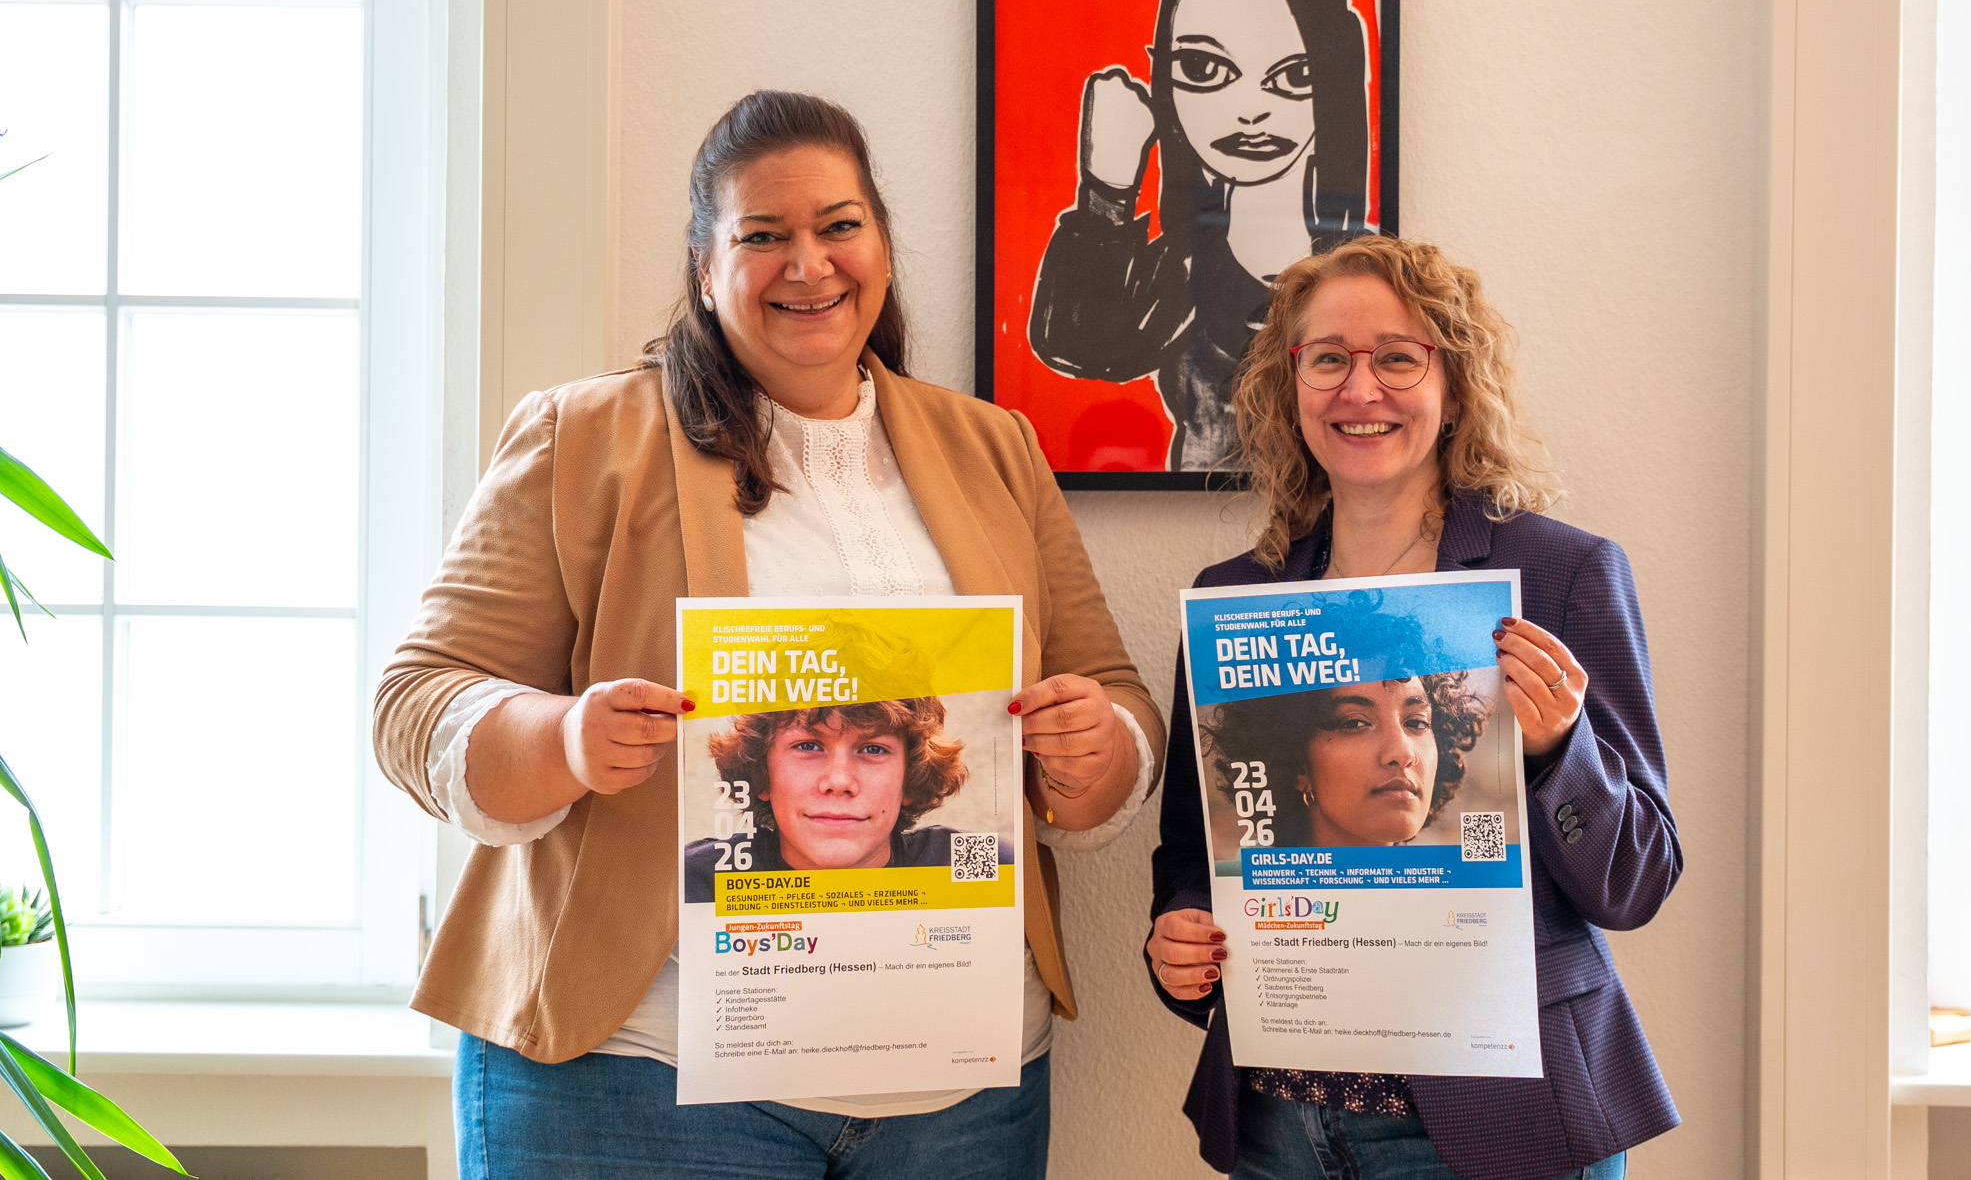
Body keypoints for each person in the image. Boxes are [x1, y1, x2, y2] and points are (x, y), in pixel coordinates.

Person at [376, 91, 1164, 1180]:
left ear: (881, 245)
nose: (809, 263)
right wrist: (564, 739)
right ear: (704, 269)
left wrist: (1098, 746)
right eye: (762, 235)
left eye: (839, 225)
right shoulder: (581, 436)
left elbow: (1113, 694)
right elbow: (416, 700)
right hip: (640, 1081)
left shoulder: (995, 447)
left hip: (961, 1099)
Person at [1146, 236, 1681, 1179]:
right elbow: (1197, 855)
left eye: (1398, 357)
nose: (1361, 389)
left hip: (1505, 1126)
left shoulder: (1562, 574)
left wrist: (1559, 748)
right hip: (1282, 1126)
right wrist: (1182, 936)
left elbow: (1637, 882)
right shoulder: (1237, 601)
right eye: (1328, 359)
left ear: (1455, 384)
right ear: (1289, 386)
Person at [1028, 0, 1375, 471]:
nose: (1251, 110)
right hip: (1196, 511)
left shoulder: (1366, 271)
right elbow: (1077, 345)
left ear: (1334, 84)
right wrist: (1107, 185)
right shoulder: (1189, 261)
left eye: (1294, 76)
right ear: (1165, 81)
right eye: (1204, 69)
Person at [682, 698, 1016, 899]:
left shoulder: (982, 864)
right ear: (762, 775)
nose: (839, 782)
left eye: (873, 749)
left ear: (909, 780)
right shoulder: (697, 880)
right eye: (808, 746)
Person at [1203, 670, 1490, 849]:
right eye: (1355, 723)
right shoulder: (1238, 904)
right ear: (1298, 765)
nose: (1403, 754)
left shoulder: (1464, 901)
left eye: (1417, 723)